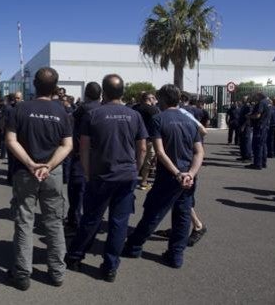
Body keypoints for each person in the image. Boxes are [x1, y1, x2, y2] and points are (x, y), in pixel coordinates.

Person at [65, 74, 147, 282]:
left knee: (91, 217)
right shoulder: (134, 115)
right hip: (127, 175)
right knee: (119, 222)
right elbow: (143, 147)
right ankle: (110, 267)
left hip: (100, 175)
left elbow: (83, 147)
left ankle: (75, 256)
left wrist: (86, 171)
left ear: (104, 91)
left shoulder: (93, 114)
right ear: (122, 92)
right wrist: (136, 170)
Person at [123, 84, 204, 269]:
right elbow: (199, 152)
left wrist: (177, 173)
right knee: (182, 215)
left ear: (164, 100)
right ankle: (176, 255)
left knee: (153, 213)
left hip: (169, 176)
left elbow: (159, 152)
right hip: (188, 176)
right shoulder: (190, 121)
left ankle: (134, 247)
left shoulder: (159, 120)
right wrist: (190, 174)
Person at [6, 67, 72, 290]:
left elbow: (11, 141)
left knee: (24, 221)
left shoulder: (20, 108)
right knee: (54, 222)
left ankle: (23, 274)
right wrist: (49, 166)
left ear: (34, 84)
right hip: (52, 173)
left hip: (26, 172)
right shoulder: (62, 111)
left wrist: (31, 164)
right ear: (56, 86)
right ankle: (57, 272)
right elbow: (67, 145)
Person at [65, 82, 101, 234]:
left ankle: (75, 222)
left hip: (81, 155)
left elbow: (69, 121)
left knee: (77, 190)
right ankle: (91, 222)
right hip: (98, 157)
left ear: (86, 93)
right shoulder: (103, 108)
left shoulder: (83, 109)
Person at [133, 91, 160, 191]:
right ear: (149, 99)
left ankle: (130, 178)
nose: (155, 100)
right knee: (147, 162)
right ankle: (144, 182)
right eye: (153, 98)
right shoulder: (154, 110)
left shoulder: (135, 108)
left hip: (135, 139)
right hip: (149, 139)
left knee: (134, 159)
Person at [246, 92, 271, 170]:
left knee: (257, 146)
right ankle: (263, 162)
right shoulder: (267, 102)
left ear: (259, 96)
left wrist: (249, 116)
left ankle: (257, 164)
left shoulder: (261, 103)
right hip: (265, 126)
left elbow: (257, 115)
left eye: (255, 96)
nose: (254, 98)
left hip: (260, 127)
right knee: (263, 145)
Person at [237, 96, 253, 161]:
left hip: (246, 126)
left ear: (247, 100)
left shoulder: (248, 107)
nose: (242, 100)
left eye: (244, 99)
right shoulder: (243, 106)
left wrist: (243, 126)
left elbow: (248, 118)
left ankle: (248, 157)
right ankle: (243, 156)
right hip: (241, 125)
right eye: (242, 99)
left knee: (247, 142)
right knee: (242, 142)